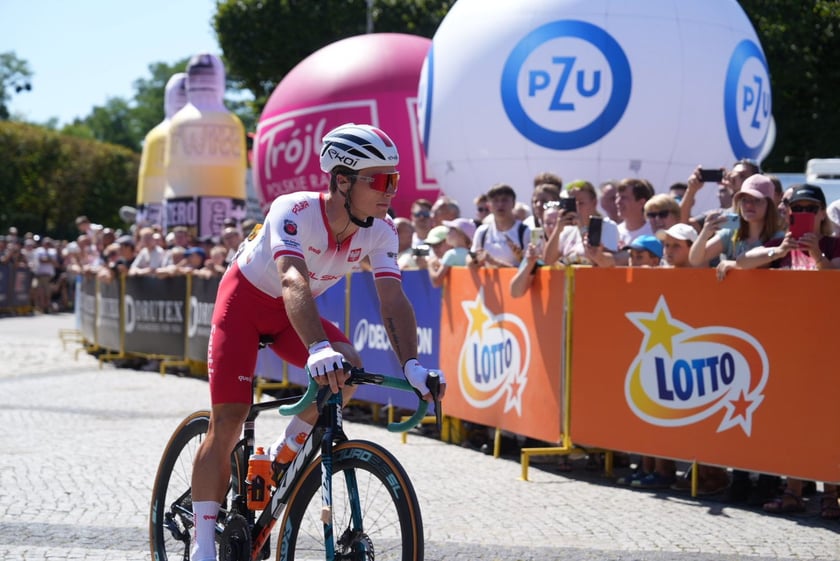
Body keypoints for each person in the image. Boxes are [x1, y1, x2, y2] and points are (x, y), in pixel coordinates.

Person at [188, 123, 446, 561]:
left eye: (394, 180)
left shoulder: (381, 229)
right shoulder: (294, 209)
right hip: (243, 307)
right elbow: (293, 277)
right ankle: (203, 542)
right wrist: (316, 348)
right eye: (380, 180)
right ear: (342, 181)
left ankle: (282, 452)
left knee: (347, 368)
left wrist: (412, 366)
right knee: (229, 421)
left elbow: (392, 298)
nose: (390, 191)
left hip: (291, 313)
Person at [688, 174, 783, 279]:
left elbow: (761, 265)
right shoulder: (731, 232)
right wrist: (705, 234)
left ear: (769, 205)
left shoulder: (778, 237)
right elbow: (695, 260)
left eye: (757, 200)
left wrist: (736, 265)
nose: (748, 205)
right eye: (744, 200)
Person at [468, 183, 530, 269]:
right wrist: (472, 260)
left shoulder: (525, 232)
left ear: (513, 203)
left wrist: (494, 262)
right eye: (495, 200)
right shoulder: (482, 232)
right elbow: (472, 260)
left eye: (505, 200)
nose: (500, 204)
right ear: (489, 206)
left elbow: (531, 270)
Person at [427, 217, 476, 288]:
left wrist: (430, 265)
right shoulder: (472, 255)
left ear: (460, 234)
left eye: (451, 229)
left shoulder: (451, 254)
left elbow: (437, 281)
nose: (447, 232)